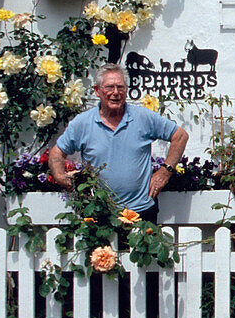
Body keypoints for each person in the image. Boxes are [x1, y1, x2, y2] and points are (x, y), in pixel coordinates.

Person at [49, 63, 189, 222]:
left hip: (141, 211)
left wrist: (165, 172)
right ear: (97, 90)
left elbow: (180, 136)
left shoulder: (143, 117)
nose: (115, 93)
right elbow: (57, 152)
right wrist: (60, 176)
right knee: (101, 249)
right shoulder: (82, 123)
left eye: (120, 87)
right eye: (109, 87)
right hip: (99, 213)